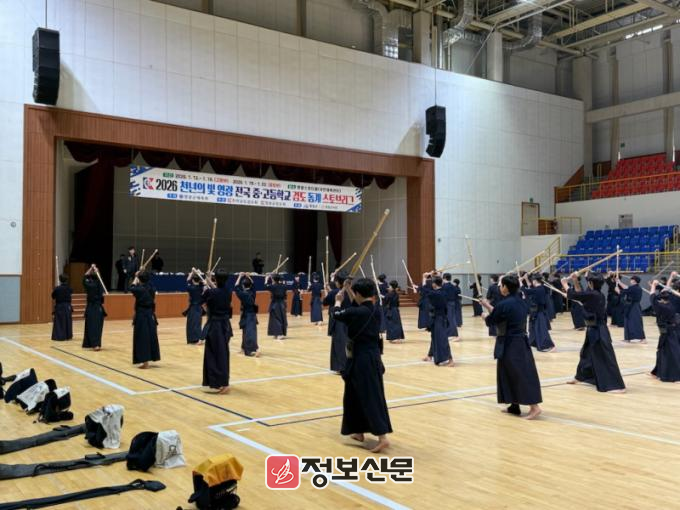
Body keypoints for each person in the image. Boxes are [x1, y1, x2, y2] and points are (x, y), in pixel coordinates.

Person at [333, 277, 392, 453]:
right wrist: (349, 290)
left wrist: (338, 301)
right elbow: (359, 306)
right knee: (353, 394)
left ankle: (382, 437)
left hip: (362, 360)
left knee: (370, 396)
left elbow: (337, 314)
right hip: (370, 356)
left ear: (359, 293)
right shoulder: (375, 309)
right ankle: (358, 431)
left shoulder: (357, 313)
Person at [480, 274, 542, 419]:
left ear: (506, 287)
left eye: (501, 285)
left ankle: (535, 407)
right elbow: (501, 314)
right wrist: (487, 305)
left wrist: (485, 316)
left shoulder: (504, 304)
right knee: (508, 373)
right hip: (519, 341)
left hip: (511, 343)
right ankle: (514, 406)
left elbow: (491, 320)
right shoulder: (521, 301)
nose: (500, 288)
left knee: (519, 374)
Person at [562, 272, 625, 393]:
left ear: (590, 283)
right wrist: (575, 280)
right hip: (592, 329)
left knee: (605, 357)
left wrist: (564, 283)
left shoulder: (593, 295)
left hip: (599, 331)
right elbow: (579, 294)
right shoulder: (596, 294)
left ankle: (616, 385)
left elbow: (572, 294)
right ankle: (581, 377)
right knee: (586, 354)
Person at [202, 269, 234, 394]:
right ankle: (218, 382)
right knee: (221, 354)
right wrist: (209, 281)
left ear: (216, 279)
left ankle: (223, 383)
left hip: (215, 327)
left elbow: (203, 303)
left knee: (215, 355)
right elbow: (218, 291)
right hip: (225, 326)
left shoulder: (210, 292)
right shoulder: (228, 292)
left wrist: (206, 287)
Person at [649, 281, 680, 382]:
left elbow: (652, 297)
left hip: (668, 332)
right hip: (671, 331)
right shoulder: (672, 304)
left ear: (662, 299)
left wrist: (653, 286)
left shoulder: (661, 307)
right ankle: (659, 372)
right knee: (663, 352)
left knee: (671, 353)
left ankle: (674, 375)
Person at [130, 270, 161, 369]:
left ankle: (145, 363)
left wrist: (136, 276)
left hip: (142, 316)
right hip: (150, 315)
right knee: (150, 337)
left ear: (140, 279)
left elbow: (131, 287)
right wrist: (140, 275)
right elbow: (147, 282)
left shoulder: (139, 290)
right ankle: (149, 358)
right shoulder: (151, 288)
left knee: (142, 338)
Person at [421, 273, 454, 367]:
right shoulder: (443, 291)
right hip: (437, 318)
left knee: (442, 339)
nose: (432, 284)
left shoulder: (436, 294)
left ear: (434, 284)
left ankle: (450, 359)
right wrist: (435, 276)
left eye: (432, 283)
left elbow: (424, 291)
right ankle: (430, 355)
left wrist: (424, 278)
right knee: (434, 337)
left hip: (439, 319)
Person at [323, 272, 352, 373]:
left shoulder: (335, 292)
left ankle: (342, 367)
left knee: (340, 344)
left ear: (337, 282)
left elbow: (325, 302)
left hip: (340, 321)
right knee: (350, 343)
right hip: (351, 320)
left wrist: (327, 292)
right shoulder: (352, 292)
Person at [522, 274, 555, 353]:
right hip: (536, 312)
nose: (532, 282)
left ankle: (547, 345)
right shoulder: (540, 288)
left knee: (541, 329)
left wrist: (520, 282)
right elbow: (530, 288)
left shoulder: (539, 289)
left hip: (539, 312)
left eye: (532, 280)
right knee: (533, 328)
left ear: (535, 281)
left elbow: (526, 291)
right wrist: (526, 279)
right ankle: (534, 342)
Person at [235, 273, 259, 357]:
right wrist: (249, 277)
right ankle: (244, 348)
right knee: (248, 332)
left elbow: (236, 287)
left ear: (243, 285)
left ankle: (250, 350)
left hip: (246, 315)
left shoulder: (243, 294)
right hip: (251, 315)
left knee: (248, 332)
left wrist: (239, 276)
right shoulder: (253, 293)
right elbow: (254, 285)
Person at [82, 265, 106, 351]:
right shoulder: (97, 283)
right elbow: (85, 278)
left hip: (95, 307)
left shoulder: (92, 284)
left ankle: (95, 344)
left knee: (93, 326)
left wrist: (91, 269)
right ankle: (93, 344)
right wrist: (95, 270)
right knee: (94, 326)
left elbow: (84, 277)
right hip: (95, 307)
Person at [616, 275, 646, 343]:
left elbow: (626, 290)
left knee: (636, 322)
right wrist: (619, 282)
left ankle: (643, 339)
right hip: (630, 306)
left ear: (634, 281)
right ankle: (627, 338)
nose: (630, 280)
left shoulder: (635, 288)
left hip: (634, 307)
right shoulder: (634, 287)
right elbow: (627, 288)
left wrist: (618, 291)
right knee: (627, 322)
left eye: (631, 279)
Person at [184, 270, 205, 344]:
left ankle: (194, 339)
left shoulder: (191, 288)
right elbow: (203, 282)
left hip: (193, 308)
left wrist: (192, 273)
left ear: (193, 280)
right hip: (199, 308)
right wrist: (199, 274)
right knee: (197, 323)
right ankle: (196, 338)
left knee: (192, 323)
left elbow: (187, 281)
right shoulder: (201, 287)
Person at [266, 273, 288, 340]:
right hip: (282, 304)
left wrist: (266, 279)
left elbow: (266, 286)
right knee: (281, 318)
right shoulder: (284, 286)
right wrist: (272, 278)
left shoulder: (273, 286)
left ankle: (279, 334)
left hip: (275, 304)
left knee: (276, 319)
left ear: (273, 280)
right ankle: (276, 333)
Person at [51, 274, 73, 341]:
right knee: (67, 321)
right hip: (67, 306)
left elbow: (53, 296)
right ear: (66, 280)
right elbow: (71, 292)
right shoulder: (69, 288)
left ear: (60, 280)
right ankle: (68, 336)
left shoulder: (57, 288)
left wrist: (56, 290)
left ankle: (60, 336)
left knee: (59, 321)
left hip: (60, 306)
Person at [442, 273, 460, 340]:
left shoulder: (444, 286)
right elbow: (457, 292)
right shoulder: (453, 286)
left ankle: (453, 335)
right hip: (452, 303)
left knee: (450, 319)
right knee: (451, 319)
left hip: (448, 304)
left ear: (444, 278)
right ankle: (450, 334)